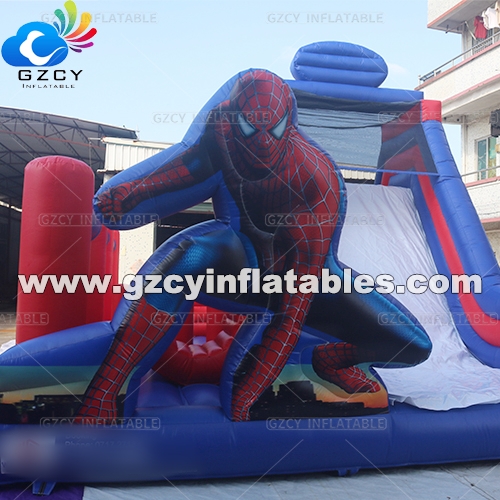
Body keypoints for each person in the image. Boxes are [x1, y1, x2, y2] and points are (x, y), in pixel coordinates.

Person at [76, 69, 431, 422]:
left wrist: (249, 394)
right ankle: (105, 390)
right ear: (233, 118)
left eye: (273, 130)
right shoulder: (222, 129)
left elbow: (293, 308)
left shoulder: (313, 179)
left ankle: (330, 360)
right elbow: (190, 168)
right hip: (244, 257)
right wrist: (133, 192)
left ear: (289, 125)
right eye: (251, 128)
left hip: (307, 278)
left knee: (413, 345)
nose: (263, 142)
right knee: (185, 257)